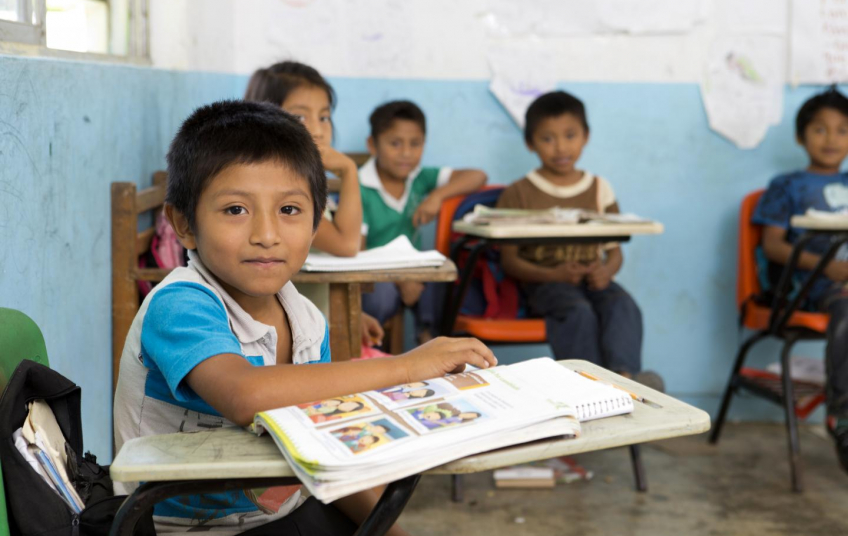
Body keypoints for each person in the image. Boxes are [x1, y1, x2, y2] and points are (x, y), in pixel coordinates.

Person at [112, 100, 497, 535]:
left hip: (284, 513)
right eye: (235, 209)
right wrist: (406, 368)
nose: (266, 235)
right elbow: (245, 393)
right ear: (183, 224)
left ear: (316, 224)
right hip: (179, 530)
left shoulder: (307, 321)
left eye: (289, 210)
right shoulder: (180, 304)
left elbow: (323, 452)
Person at [497, 90, 662, 391]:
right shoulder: (518, 193)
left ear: (586, 136)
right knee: (578, 311)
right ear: (530, 143)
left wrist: (606, 271)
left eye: (570, 135)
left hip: (593, 280)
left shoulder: (600, 189)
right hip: (544, 285)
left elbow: (614, 252)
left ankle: (624, 381)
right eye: (547, 138)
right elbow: (509, 262)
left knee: (623, 305)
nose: (561, 147)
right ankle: (587, 388)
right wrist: (553, 274)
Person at [245, 60, 385, 349]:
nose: (318, 131)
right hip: (289, 337)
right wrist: (348, 170)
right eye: (299, 117)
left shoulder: (303, 183)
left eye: (324, 117)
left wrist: (355, 315)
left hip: (311, 322)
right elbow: (347, 245)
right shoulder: (282, 194)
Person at [752, 86, 848, 473]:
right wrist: (825, 267)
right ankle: (843, 415)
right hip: (814, 288)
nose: (831, 139)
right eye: (820, 129)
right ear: (800, 136)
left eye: (842, 130)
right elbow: (773, 246)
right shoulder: (787, 186)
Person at [360, 100, 487, 342]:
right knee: (380, 296)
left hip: (413, 269)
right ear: (372, 145)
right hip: (373, 274)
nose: (406, 153)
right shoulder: (360, 187)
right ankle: (373, 346)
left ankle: (430, 340)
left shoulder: (418, 178)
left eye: (415, 143)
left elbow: (477, 176)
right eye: (395, 143)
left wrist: (437, 196)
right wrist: (399, 278)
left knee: (442, 276)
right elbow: (357, 253)